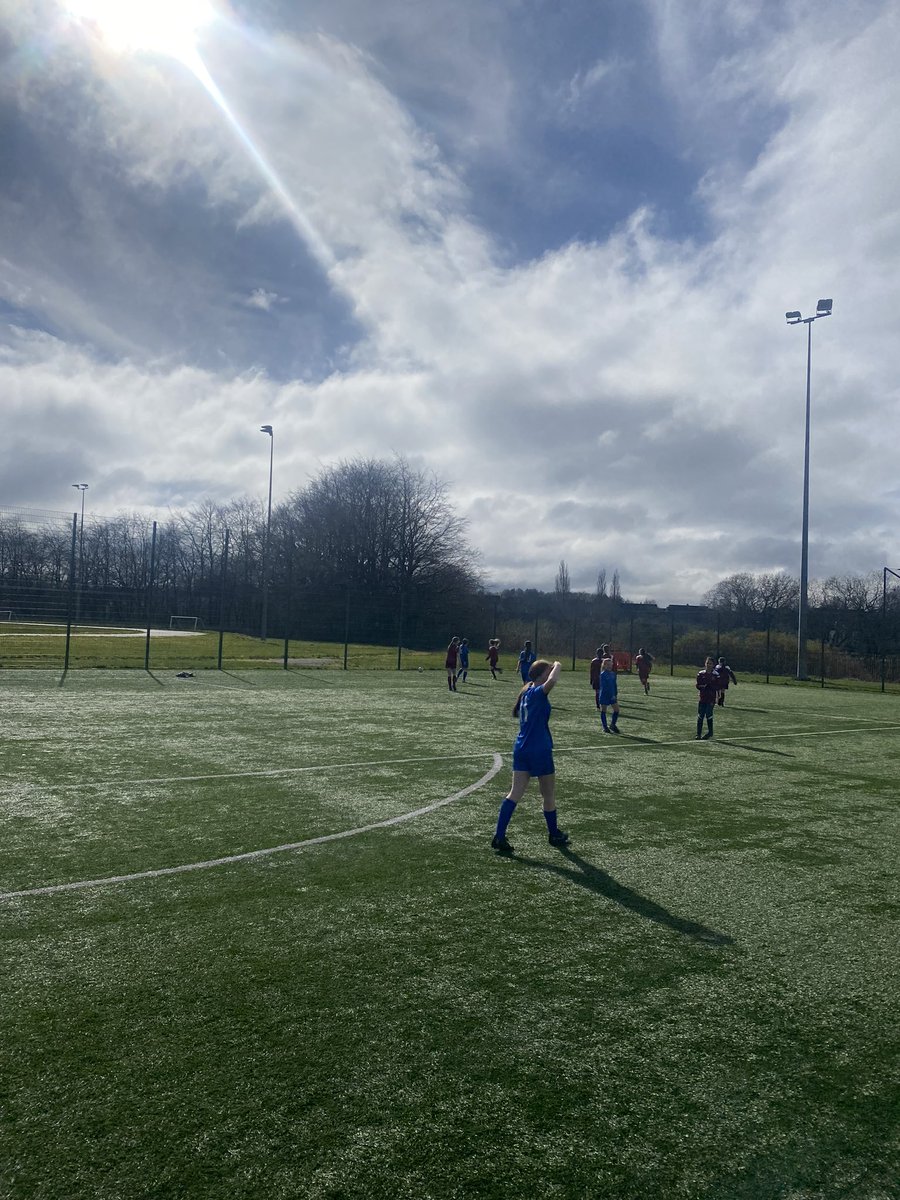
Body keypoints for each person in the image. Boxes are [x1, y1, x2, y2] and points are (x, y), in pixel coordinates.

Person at [491, 659, 570, 853]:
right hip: (539, 749)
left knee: (515, 793)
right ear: (542, 675)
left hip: (521, 748)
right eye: (547, 671)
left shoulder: (527, 692)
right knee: (548, 794)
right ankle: (554, 834)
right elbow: (551, 682)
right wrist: (558, 665)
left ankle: (499, 836)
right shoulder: (536, 692)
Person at [695, 656, 718, 738]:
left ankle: (710, 732)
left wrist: (711, 687)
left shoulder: (716, 675)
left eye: (710, 663)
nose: (708, 665)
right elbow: (697, 685)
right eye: (707, 663)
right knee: (700, 715)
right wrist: (702, 686)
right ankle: (698, 734)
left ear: (713, 665)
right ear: (705, 663)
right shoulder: (701, 674)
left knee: (709, 714)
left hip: (711, 698)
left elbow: (717, 686)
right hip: (702, 697)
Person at [597, 656, 620, 733]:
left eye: (611, 665)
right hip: (605, 695)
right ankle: (604, 726)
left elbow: (614, 685)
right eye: (608, 665)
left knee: (616, 710)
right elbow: (605, 686)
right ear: (604, 665)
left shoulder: (613, 674)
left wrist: (615, 693)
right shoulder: (603, 674)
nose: (610, 666)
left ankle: (613, 725)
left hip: (612, 695)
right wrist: (611, 694)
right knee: (604, 710)